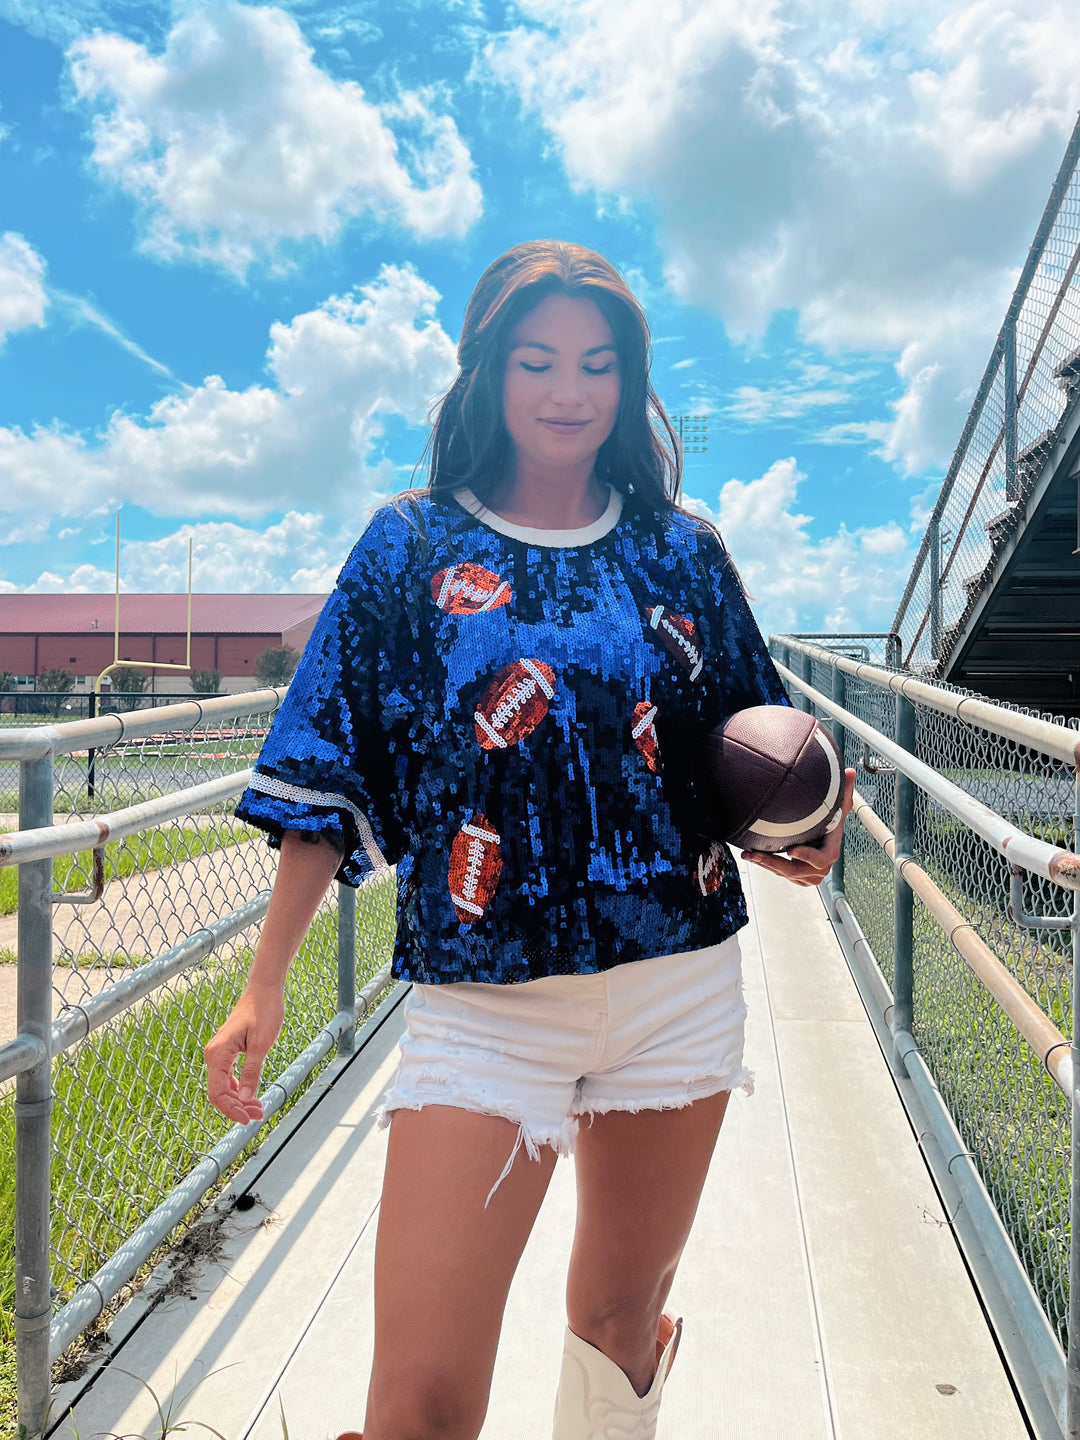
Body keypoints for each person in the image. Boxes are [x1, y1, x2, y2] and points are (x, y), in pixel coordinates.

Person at [205, 240, 854, 1440]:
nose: (570, 390)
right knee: (419, 1403)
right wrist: (266, 982)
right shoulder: (409, 546)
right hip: (484, 1002)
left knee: (617, 1324)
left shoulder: (685, 549)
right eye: (539, 359)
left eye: (599, 364)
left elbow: (750, 743)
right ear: (487, 373)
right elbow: (325, 762)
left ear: (631, 380)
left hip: (677, 984)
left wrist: (807, 830)